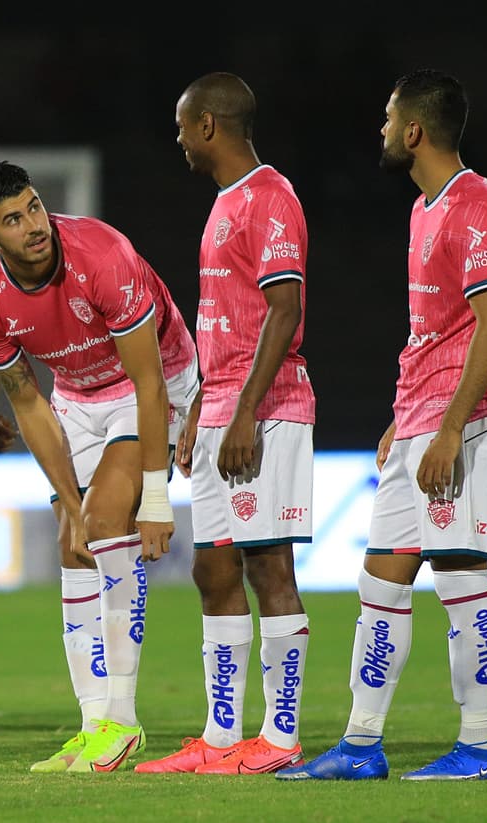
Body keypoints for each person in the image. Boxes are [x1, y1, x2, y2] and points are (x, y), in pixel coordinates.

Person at [279, 68, 487, 782]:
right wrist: (404, 417)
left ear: (413, 130)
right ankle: (360, 745)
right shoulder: (426, 209)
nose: (381, 131)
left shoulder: (477, 207)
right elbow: (436, 330)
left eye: (388, 120)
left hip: (464, 425)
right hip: (420, 420)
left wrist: (447, 427)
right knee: (381, 578)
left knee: (459, 577)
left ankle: (479, 747)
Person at [0, 160, 200, 773]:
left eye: (34, 206)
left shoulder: (102, 254)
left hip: (149, 385)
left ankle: (123, 720)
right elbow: (28, 400)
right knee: (75, 539)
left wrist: (155, 497)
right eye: (12, 219)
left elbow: (148, 381)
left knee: (105, 519)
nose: (33, 225)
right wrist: (65, 499)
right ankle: (93, 724)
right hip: (75, 396)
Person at [135, 72, 315, 776]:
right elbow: (227, 322)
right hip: (221, 411)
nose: (177, 138)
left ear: (208, 124)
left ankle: (281, 734)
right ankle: (218, 734)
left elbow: (284, 307)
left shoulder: (270, 197)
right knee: (214, 568)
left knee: (269, 564)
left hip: (265, 412)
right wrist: (200, 410)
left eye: (182, 125)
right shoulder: (224, 205)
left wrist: (241, 410)